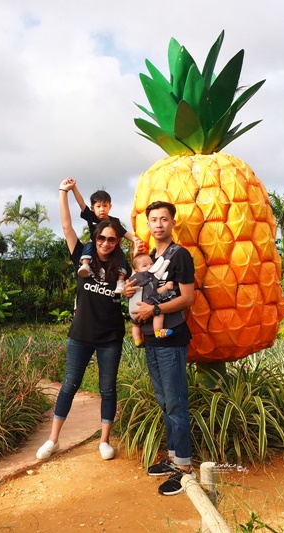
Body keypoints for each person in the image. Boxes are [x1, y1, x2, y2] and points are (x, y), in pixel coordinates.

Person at [36, 177, 130, 462]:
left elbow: (136, 281)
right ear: (95, 238)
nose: (105, 243)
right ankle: (53, 440)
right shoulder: (82, 255)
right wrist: (62, 192)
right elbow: (66, 226)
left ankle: (104, 441)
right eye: (101, 238)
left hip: (111, 335)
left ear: (116, 242)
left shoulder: (121, 263)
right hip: (81, 334)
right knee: (69, 384)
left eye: (111, 239)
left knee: (107, 387)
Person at [125, 200, 196, 496]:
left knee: (176, 401)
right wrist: (129, 290)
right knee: (164, 400)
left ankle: (184, 468)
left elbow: (187, 298)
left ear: (172, 223)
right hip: (152, 341)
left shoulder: (180, 256)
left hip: (172, 337)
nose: (158, 224)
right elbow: (141, 290)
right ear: (148, 224)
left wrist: (152, 313)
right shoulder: (149, 258)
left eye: (164, 219)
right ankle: (172, 458)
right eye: (153, 219)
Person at [70, 184, 140, 293]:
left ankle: (121, 281)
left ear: (110, 207)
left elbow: (124, 232)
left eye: (105, 206)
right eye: (98, 206)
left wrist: (136, 240)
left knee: (120, 254)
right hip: (95, 246)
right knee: (88, 245)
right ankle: (85, 265)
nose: (102, 209)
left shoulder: (114, 221)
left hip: (112, 248)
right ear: (93, 208)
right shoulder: (91, 216)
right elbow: (81, 203)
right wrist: (73, 188)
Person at [127, 252, 175, 347]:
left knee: (135, 325)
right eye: (145, 265)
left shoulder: (132, 279)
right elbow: (155, 292)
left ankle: (137, 339)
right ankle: (158, 331)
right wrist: (166, 287)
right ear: (137, 271)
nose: (149, 267)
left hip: (133, 311)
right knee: (159, 312)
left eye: (151, 264)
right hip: (147, 308)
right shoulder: (148, 277)